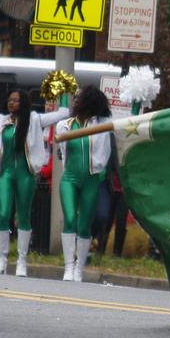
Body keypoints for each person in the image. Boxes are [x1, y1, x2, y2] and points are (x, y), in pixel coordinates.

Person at [0, 89, 69, 276]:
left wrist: (63, 90)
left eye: (16, 100)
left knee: (24, 215)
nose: (11, 103)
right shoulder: (0, 120)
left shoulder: (34, 120)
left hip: (25, 174)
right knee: (2, 214)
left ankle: (21, 261)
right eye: (10, 100)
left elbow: (64, 113)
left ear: (24, 103)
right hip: (6, 174)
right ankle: (2, 259)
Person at [56, 86, 113, 282]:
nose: (75, 100)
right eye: (75, 97)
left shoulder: (103, 124)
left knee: (85, 224)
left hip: (91, 180)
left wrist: (139, 100)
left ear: (91, 102)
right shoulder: (63, 125)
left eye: (80, 98)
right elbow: (62, 152)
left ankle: (79, 267)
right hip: (69, 179)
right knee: (70, 219)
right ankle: (68, 267)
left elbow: (128, 124)